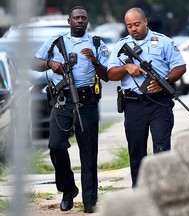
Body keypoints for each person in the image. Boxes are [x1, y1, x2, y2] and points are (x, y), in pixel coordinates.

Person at [31, 6, 109, 213]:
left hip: (87, 102)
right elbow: (34, 62)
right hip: (62, 101)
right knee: (56, 146)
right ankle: (68, 189)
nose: (80, 20)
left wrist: (94, 60)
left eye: (83, 17)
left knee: (88, 152)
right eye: (76, 18)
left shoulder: (96, 43)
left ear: (87, 21)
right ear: (69, 21)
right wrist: (50, 63)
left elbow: (107, 74)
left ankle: (90, 200)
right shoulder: (56, 41)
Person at [107, 7, 186, 187]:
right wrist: (126, 68)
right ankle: (140, 194)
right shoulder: (120, 46)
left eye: (136, 24)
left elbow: (180, 67)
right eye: (129, 26)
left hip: (160, 102)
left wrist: (164, 80)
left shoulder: (163, 41)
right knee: (136, 151)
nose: (133, 29)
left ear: (145, 22)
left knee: (162, 148)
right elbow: (110, 74)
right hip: (134, 105)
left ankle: (164, 192)